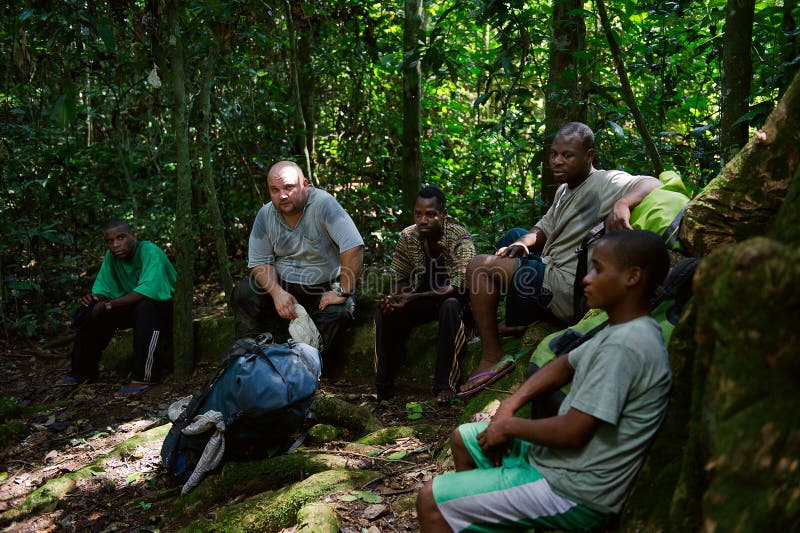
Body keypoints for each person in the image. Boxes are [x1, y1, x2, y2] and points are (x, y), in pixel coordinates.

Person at [416, 229, 672, 532]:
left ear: (632, 277)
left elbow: (572, 433)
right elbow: (565, 364)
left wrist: (508, 426)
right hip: (563, 463)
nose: (586, 279)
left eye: (598, 269)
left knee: (430, 500)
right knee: (464, 439)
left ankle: (469, 510)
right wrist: (510, 404)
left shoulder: (626, 345)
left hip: (575, 489)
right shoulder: (620, 329)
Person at [459, 122, 662, 397]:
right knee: (513, 236)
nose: (557, 161)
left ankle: (491, 355)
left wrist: (622, 204)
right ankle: (518, 322)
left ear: (589, 156)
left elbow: (652, 182)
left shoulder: (604, 182)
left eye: (567, 155)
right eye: (554, 153)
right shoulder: (565, 189)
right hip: (551, 266)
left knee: (478, 267)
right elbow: (543, 229)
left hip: (565, 287)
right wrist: (522, 243)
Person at [232, 161, 364, 357]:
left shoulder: (323, 204)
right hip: (286, 285)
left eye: (289, 187)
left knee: (342, 309)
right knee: (244, 292)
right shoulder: (266, 214)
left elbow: (353, 246)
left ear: (305, 184)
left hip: (326, 285)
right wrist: (277, 293)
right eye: (275, 190)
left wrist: (343, 290)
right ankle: (254, 357)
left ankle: (312, 362)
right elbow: (259, 262)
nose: (282, 196)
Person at [374, 186, 476, 405]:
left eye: (430, 214)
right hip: (422, 299)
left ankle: (444, 385)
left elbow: (458, 286)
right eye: (418, 214)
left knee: (449, 306)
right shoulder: (408, 236)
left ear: (443, 215)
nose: (423, 220)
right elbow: (400, 277)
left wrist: (412, 297)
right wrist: (394, 298)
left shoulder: (460, 237)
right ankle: (382, 387)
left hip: (454, 302)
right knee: (385, 312)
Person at [56, 219, 176, 395]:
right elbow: (104, 288)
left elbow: (146, 291)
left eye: (121, 238)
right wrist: (97, 299)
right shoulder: (111, 257)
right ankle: (82, 372)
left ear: (133, 235)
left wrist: (109, 305)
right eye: (110, 241)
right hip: (131, 306)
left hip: (161, 307)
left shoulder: (150, 251)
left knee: (146, 308)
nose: (115, 245)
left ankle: (145, 376)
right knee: (90, 308)